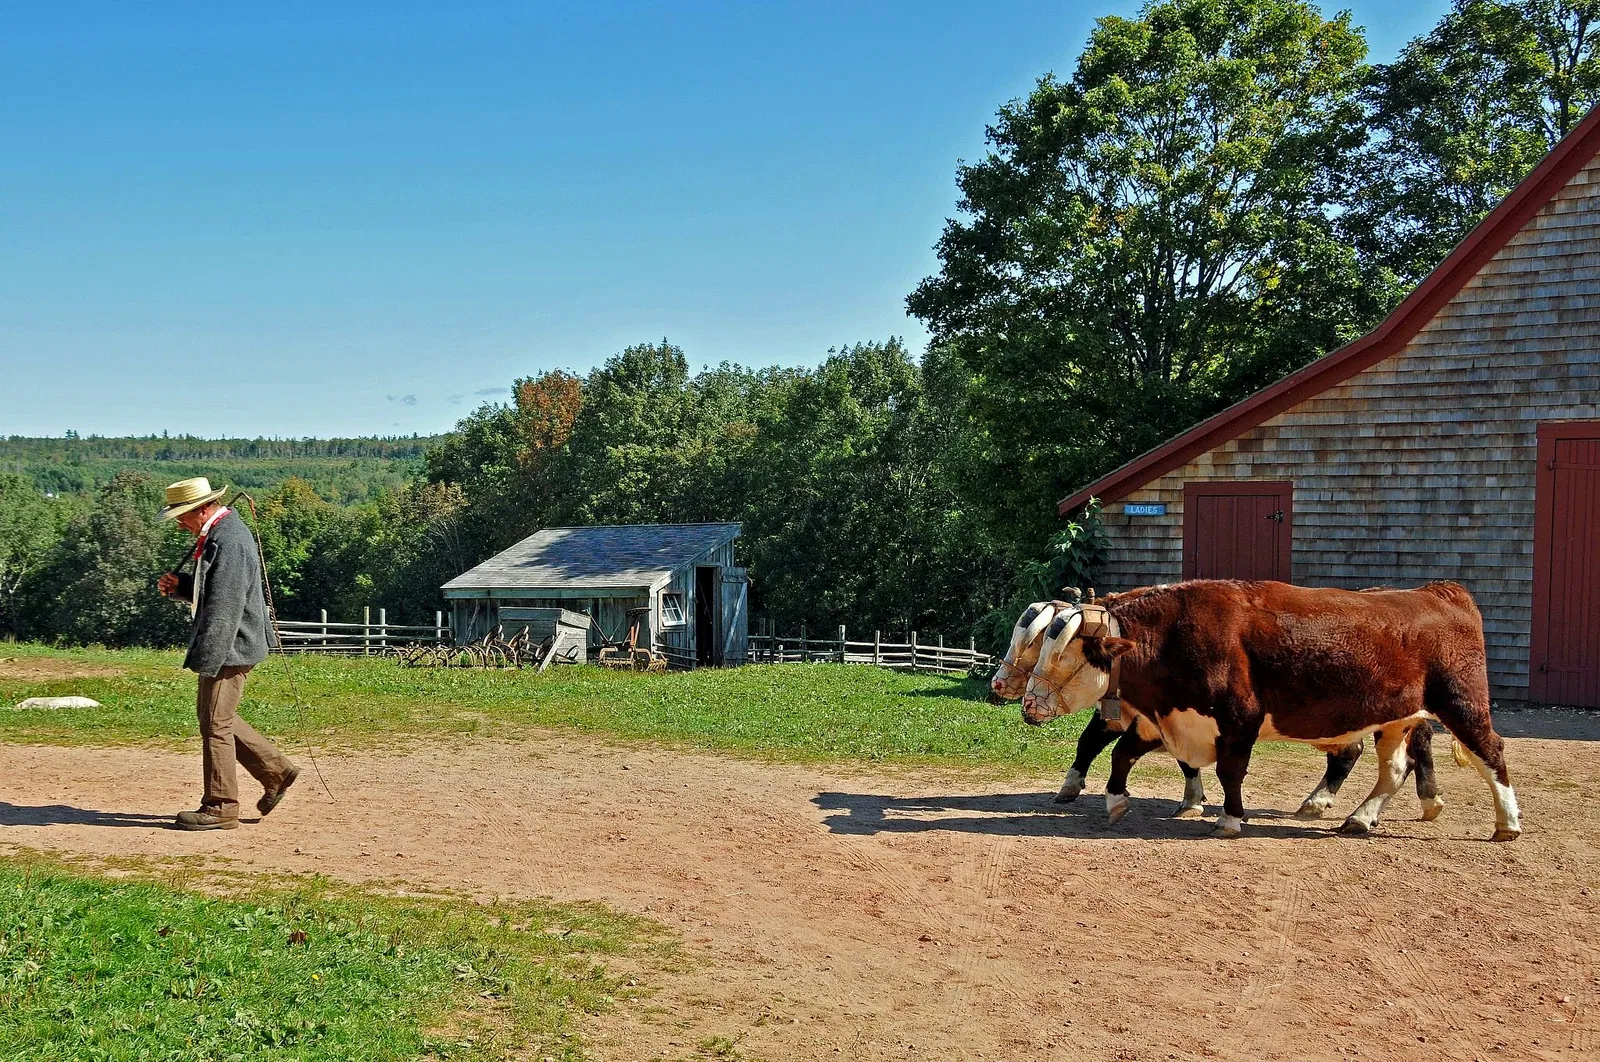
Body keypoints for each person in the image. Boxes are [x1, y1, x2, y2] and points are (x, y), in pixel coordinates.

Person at [156, 477, 299, 831]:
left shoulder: (229, 539)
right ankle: (276, 771)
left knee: (215, 723)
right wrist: (183, 588)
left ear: (201, 509)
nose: (179, 522)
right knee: (214, 718)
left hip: (231, 645)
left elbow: (226, 605)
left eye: (181, 515)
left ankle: (221, 805)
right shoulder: (220, 535)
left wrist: (208, 656)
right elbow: (216, 590)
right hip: (230, 642)